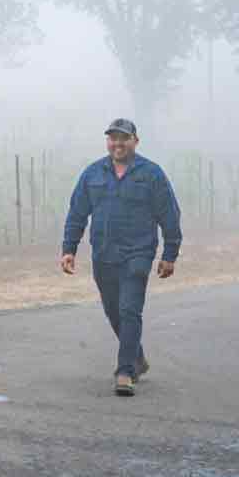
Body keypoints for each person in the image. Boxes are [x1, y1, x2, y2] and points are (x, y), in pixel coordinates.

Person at [60, 118, 182, 397]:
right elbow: (77, 213)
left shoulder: (152, 174)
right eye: (113, 138)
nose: (118, 143)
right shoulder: (92, 174)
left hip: (138, 253)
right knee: (114, 311)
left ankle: (125, 371)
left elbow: (169, 215)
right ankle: (137, 356)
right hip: (103, 254)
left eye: (124, 138)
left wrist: (170, 254)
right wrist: (69, 249)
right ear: (108, 142)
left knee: (129, 310)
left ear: (135, 142)